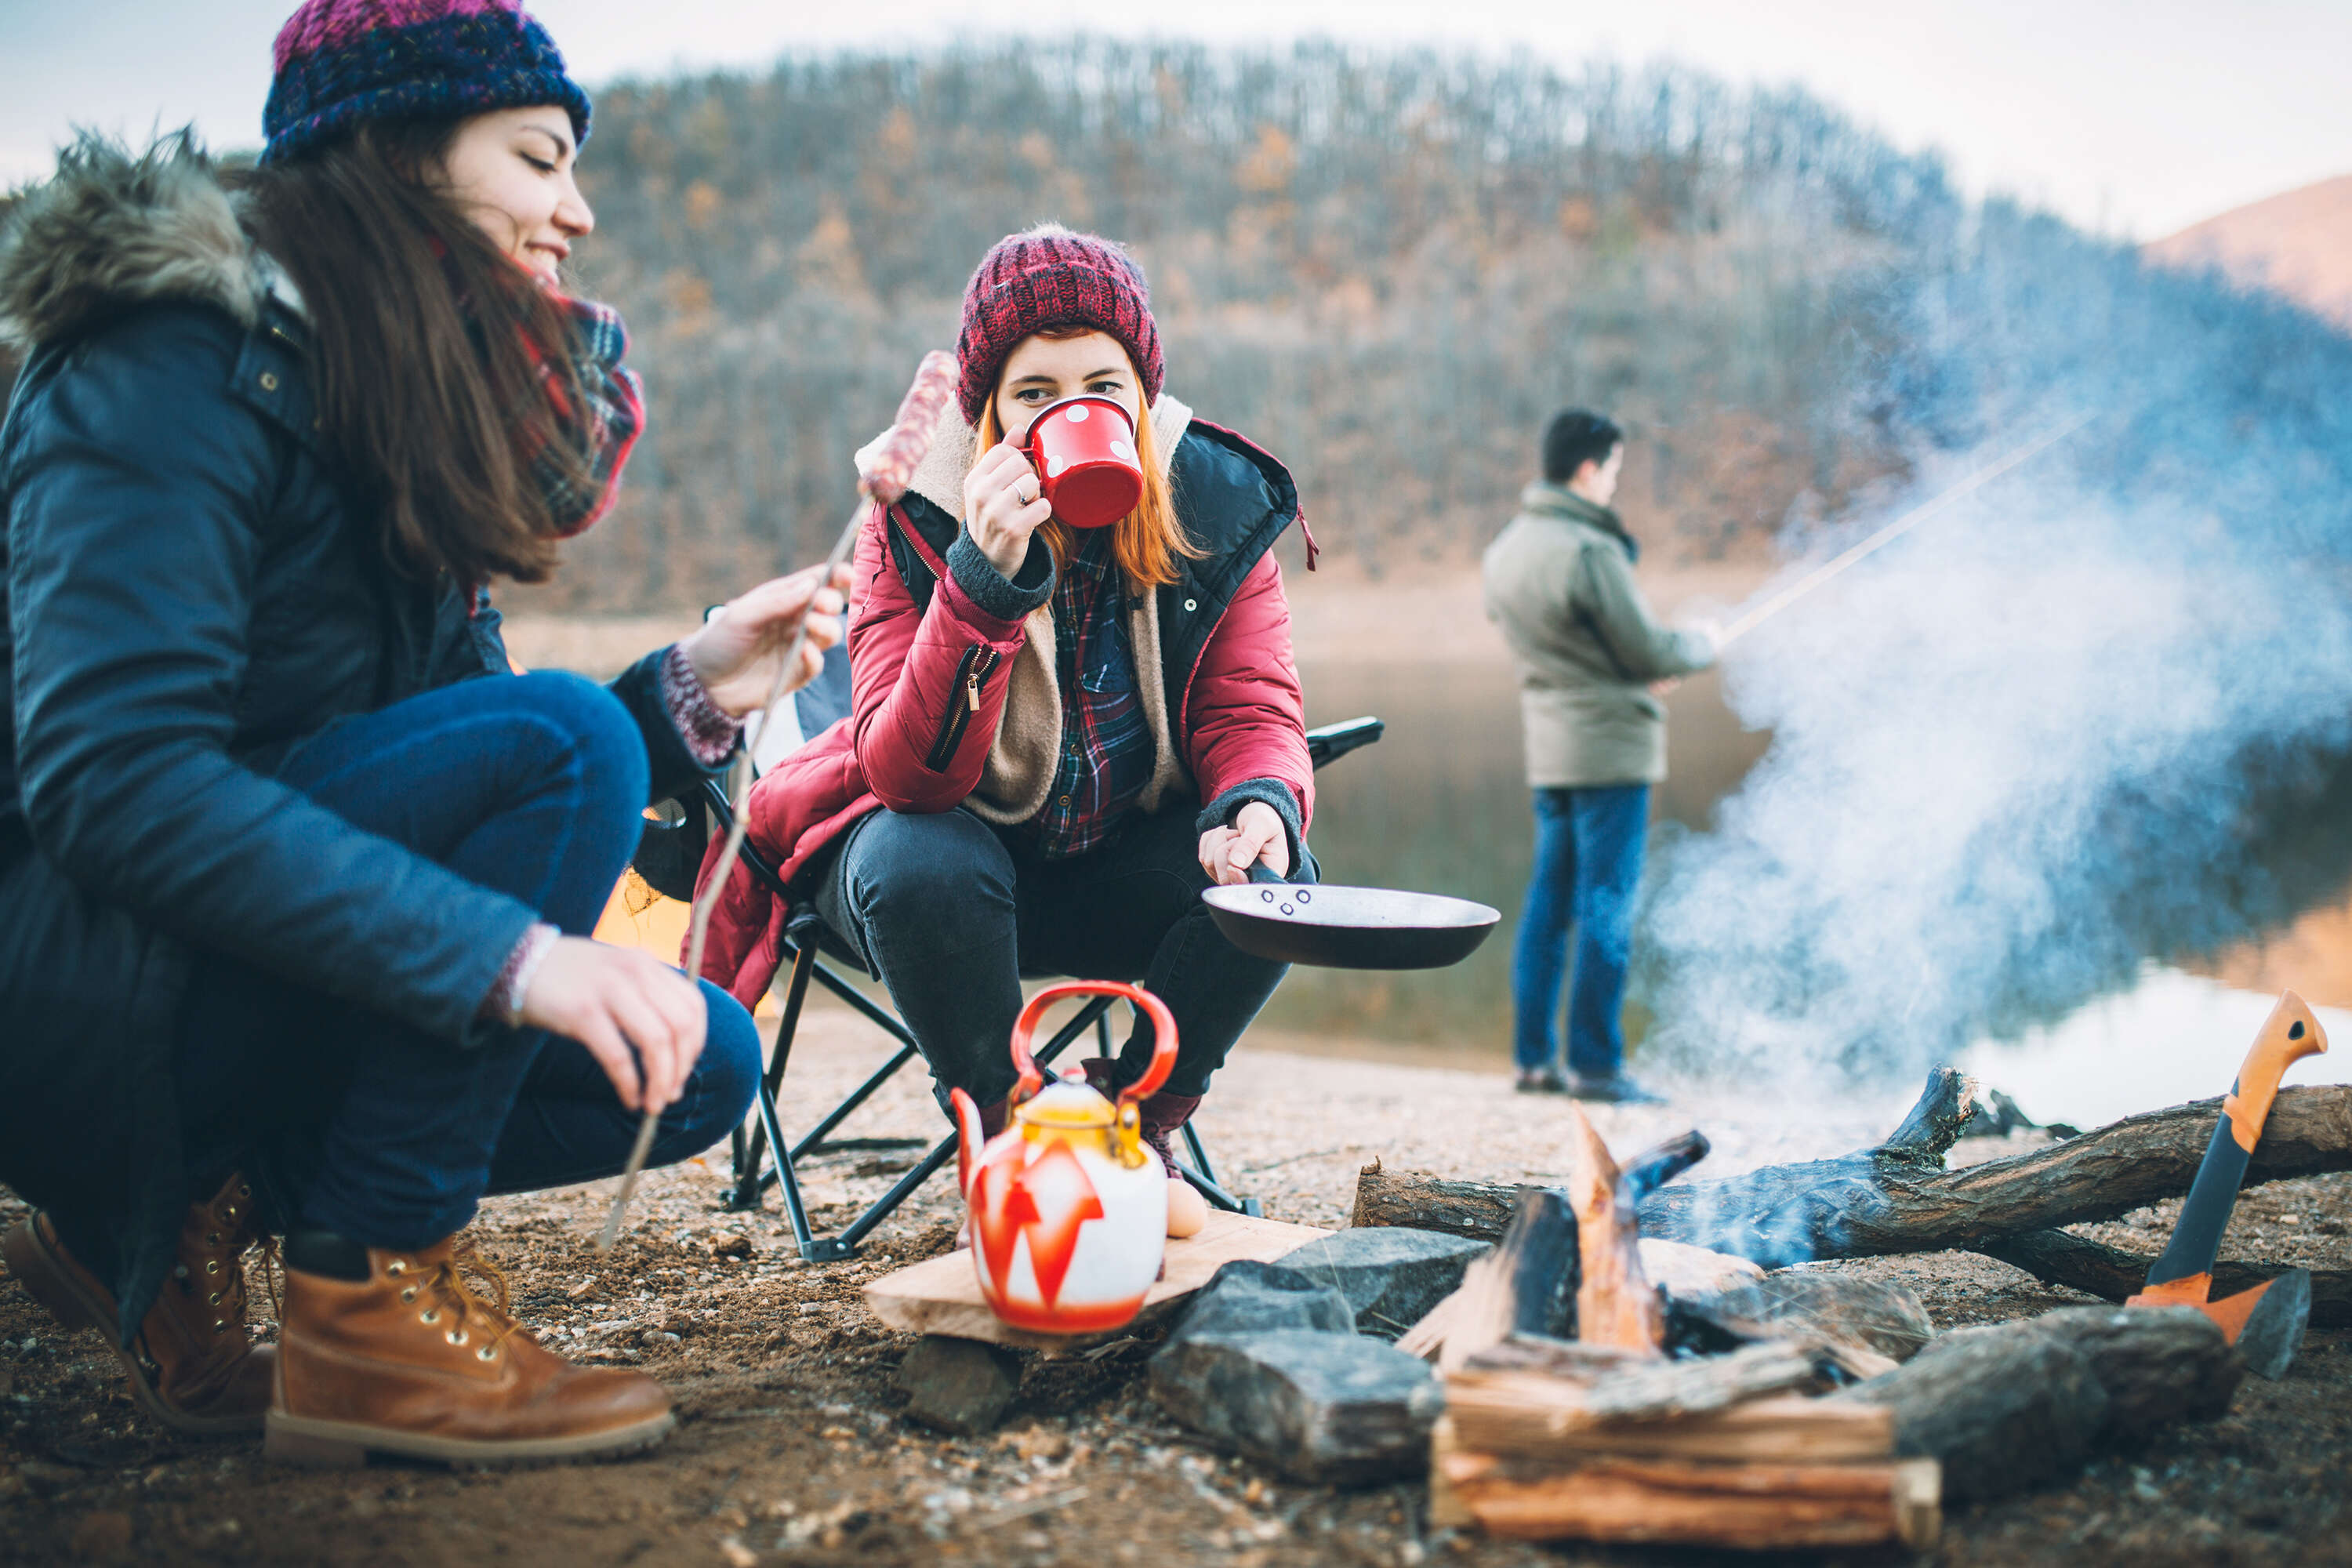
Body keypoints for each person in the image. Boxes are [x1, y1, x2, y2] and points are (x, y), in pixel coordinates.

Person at [0, 0, 848, 1468]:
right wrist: (509, 964)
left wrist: (701, 684)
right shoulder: (166, 365)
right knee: (563, 748)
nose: (576, 211)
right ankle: (367, 1302)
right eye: (537, 158)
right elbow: (112, 784)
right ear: (394, 154)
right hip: (78, 987)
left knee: (696, 1057)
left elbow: (454, 765)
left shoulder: (386, 395)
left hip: (228, 964)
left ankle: (191, 1202)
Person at [700, 225, 1318, 1240]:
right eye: (1035, 392)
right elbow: (906, 775)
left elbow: (1252, 710)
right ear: (986, 410)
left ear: (1144, 395)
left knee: (1280, 871)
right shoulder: (917, 511)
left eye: (1102, 384)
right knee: (914, 855)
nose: (1073, 410)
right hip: (949, 883)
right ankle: (1006, 1130)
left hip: (1115, 861)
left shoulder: (1211, 498)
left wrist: (1255, 803)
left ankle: (1135, 1122)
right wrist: (980, 583)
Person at [1482, 409, 1716, 1103]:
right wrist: (1699, 644)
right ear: (1588, 468)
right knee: (1607, 907)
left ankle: (1532, 1060)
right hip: (1610, 754)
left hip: (1550, 755)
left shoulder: (1506, 551)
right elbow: (1645, 646)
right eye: (1613, 469)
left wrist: (1625, 667)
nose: (1613, 483)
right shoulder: (1590, 549)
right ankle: (1596, 1065)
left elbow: (1570, 647)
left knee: (1548, 909)